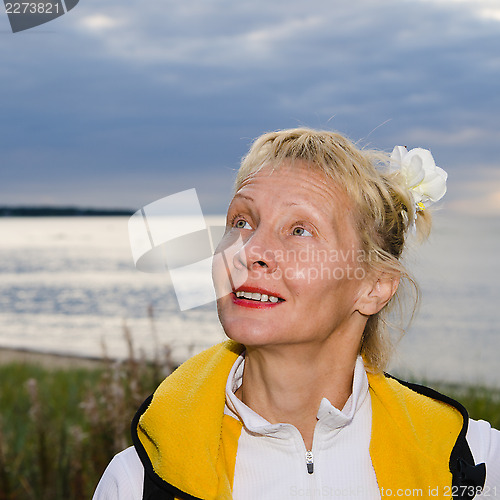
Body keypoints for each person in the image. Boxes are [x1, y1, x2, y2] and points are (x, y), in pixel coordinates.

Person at [93, 128, 499, 500]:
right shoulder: (137, 482)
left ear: (374, 286)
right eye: (241, 221)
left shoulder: (470, 463)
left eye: (299, 230)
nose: (249, 251)